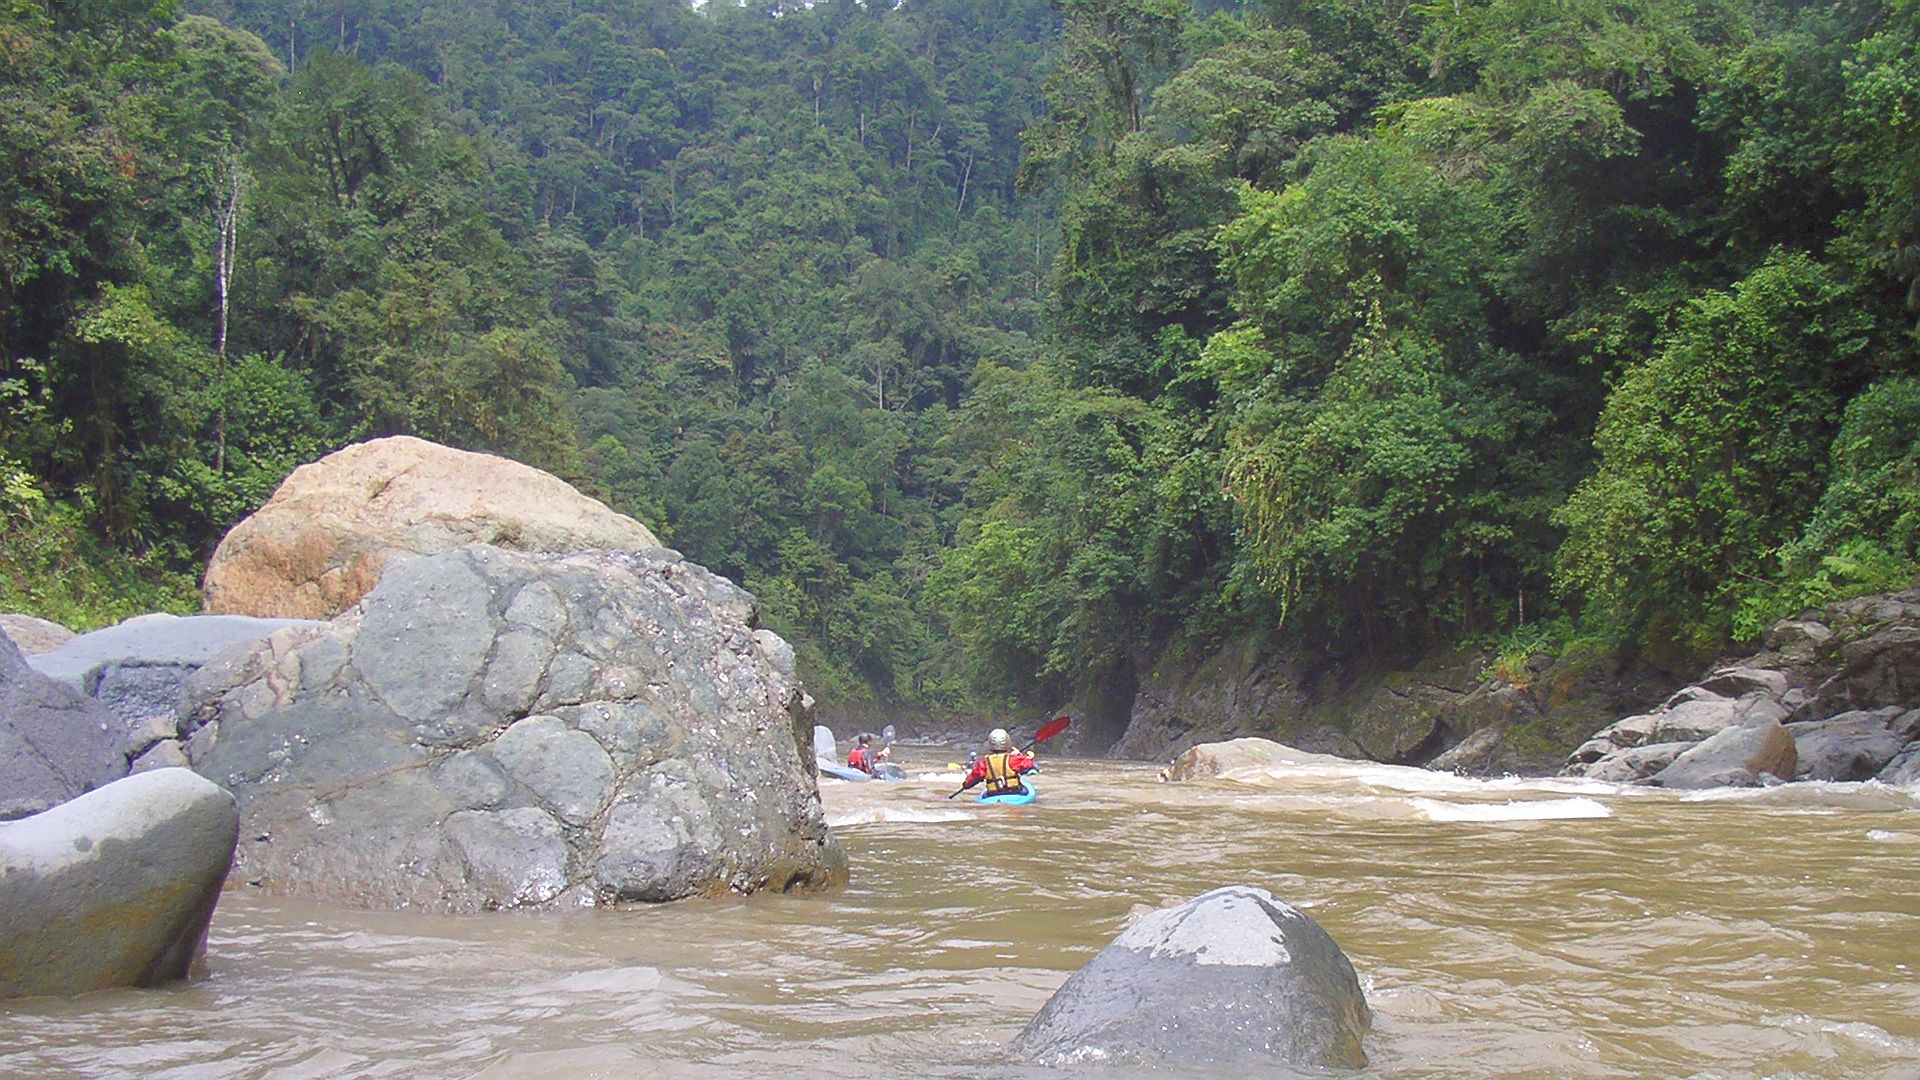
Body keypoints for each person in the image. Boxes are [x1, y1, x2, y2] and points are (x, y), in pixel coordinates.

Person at [958, 728, 1035, 798]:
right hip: (1014, 791)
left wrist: (966, 785)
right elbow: (1028, 766)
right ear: (1007, 743)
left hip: (993, 794)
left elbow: (972, 779)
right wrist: (1022, 756)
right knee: (1025, 789)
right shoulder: (1014, 758)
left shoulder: (984, 762)